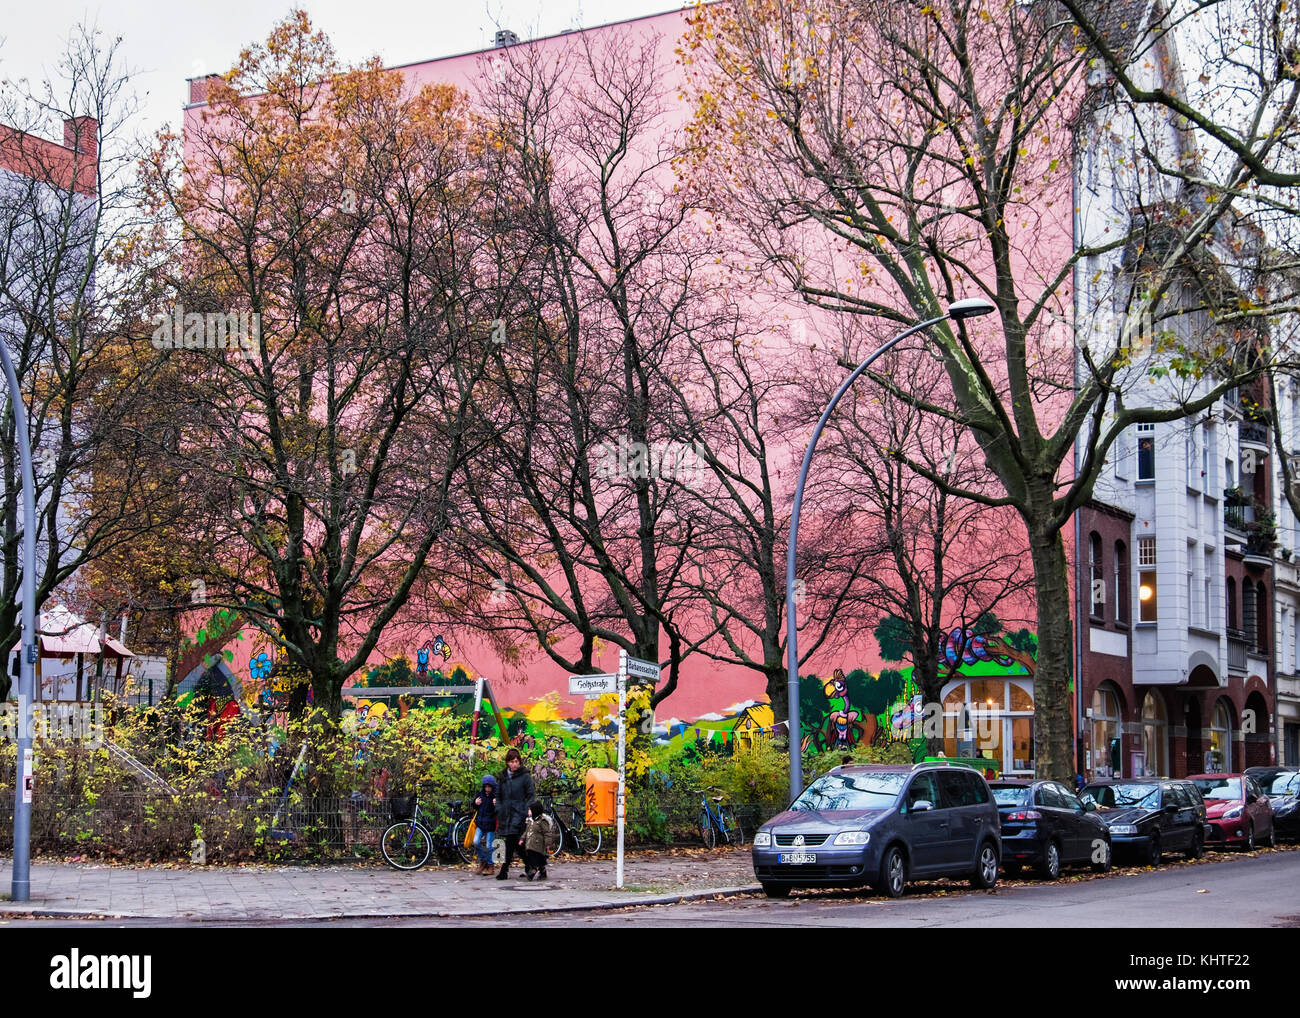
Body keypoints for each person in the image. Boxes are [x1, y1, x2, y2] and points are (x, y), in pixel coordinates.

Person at [495, 747, 535, 880]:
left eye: (517, 761)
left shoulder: (525, 776)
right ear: (507, 762)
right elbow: (498, 794)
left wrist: (527, 808)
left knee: (512, 842)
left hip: (519, 812)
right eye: (512, 761)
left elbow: (530, 794)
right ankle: (533, 866)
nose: (514, 764)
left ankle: (504, 870)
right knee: (516, 843)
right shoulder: (502, 777)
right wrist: (499, 808)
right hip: (506, 813)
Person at [471, 774, 498, 875]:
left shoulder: (495, 796)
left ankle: (491, 865)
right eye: (486, 786)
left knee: (489, 846)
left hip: (490, 824)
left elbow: (500, 809)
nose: (487, 789)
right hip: (481, 823)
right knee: (476, 842)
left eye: (489, 787)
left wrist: (497, 804)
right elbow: (474, 805)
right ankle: (483, 861)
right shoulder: (480, 794)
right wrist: (475, 803)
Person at [522, 800, 552, 881]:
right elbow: (526, 831)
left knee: (535, 859)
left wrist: (548, 844)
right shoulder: (529, 821)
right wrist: (522, 838)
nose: (528, 811)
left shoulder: (542, 821)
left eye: (530, 810)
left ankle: (532, 872)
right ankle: (543, 872)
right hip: (530, 844)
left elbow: (547, 833)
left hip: (538, 845)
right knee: (538, 861)